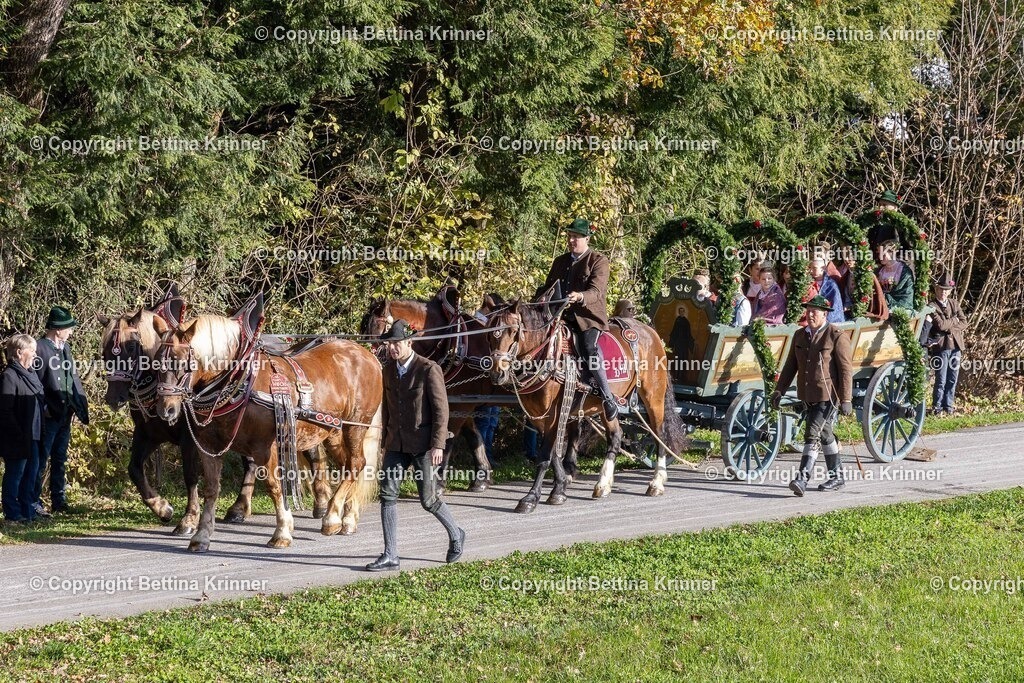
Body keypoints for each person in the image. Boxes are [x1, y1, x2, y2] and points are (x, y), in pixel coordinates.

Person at [367, 320, 465, 572]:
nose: (392, 348)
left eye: (397, 343)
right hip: (396, 444)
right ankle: (390, 555)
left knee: (428, 500)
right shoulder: (387, 370)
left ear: (409, 342)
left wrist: (438, 445)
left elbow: (442, 411)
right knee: (387, 494)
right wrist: (384, 441)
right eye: (389, 344)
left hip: (424, 445)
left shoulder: (428, 369)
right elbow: (387, 407)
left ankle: (456, 534)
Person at [535, 217, 617, 420]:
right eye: (570, 236)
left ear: (587, 238)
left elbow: (596, 292)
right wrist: (535, 301)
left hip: (588, 318)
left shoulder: (598, 261)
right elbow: (548, 288)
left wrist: (580, 296)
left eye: (576, 237)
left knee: (589, 348)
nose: (571, 240)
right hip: (560, 316)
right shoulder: (560, 261)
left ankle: (608, 397)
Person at [771, 295, 853, 495]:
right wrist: (779, 390)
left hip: (827, 395)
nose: (810, 314)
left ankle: (801, 479)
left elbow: (845, 369)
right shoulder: (800, 335)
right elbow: (790, 366)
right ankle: (837, 477)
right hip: (807, 394)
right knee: (825, 434)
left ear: (824, 314)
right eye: (808, 311)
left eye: (814, 311)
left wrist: (846, 399)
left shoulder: (836, 336)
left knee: (812, 433)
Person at [35, 306, 89, 516]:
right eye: (69, 328)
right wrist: (45, 407)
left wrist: (78, 406)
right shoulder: (39, 348)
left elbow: (71, 378)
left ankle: (59, 500)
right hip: (48, 415)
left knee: (59, 458)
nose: (71, 332)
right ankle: (35, 501)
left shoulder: (65, 348)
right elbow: (35, 383)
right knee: (41, 458)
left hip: (65, 413)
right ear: (58, 329)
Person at [1, 335, 46, 524]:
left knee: (32, 474)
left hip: (34, 435)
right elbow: (5, 410)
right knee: (15, 474)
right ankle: (12, 514)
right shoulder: (9, 376)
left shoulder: (32, 375)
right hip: (17, 437)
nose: (35, 355)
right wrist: (18, 432)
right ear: (19, 352)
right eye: (32, 350)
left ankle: (27, 512)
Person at [927, 274, 967, 416]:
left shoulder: (954, 303)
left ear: (950, 291)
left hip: (956, 346)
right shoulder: (932, 306)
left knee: (952, 378)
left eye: (946, 290)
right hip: (942, 346)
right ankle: (937, 408)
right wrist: (954, 321)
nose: (943, 292)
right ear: (936, 289)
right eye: (941, 289)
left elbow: (964, 322)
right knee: (941, 379)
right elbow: (941, 325)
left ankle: (948, 407)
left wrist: (951, 324)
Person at [799, 257, 845, 325]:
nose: (811, 271)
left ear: (823, 269)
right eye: (810, 268)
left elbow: (835, 306)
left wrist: (825, 324)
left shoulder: (831, 285)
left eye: (814, 268)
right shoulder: (807, 283)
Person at [875, 239, 915, 311]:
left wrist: (885, 298)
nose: (880, 257)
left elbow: (906, 295)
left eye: (883, 254)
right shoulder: (879, 271)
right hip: (880, 306)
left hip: (899, 307)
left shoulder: (904, 271)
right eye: (879, 254)